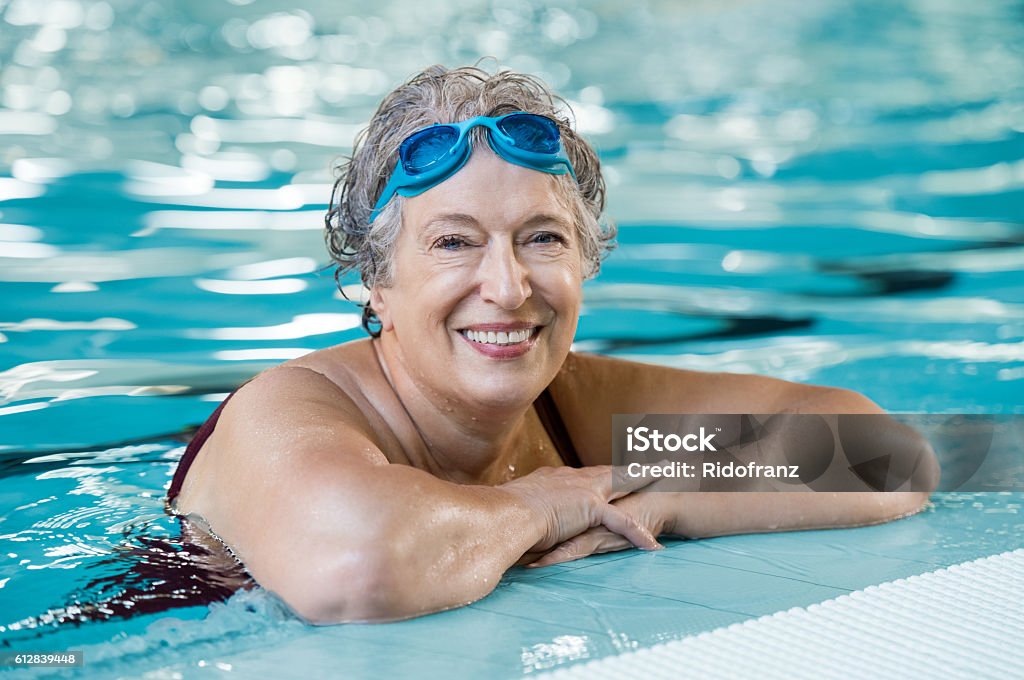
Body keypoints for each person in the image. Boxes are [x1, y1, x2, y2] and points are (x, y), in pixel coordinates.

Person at [167, 65, 939, 624]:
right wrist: (541, 504)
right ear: (376, 281)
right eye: (453, 244)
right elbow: (362, 567)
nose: (506, 288)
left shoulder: (573, 408)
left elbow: (884, 456)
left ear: (585, 261)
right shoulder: (294, 410)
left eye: (541, 238)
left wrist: (662, 495)